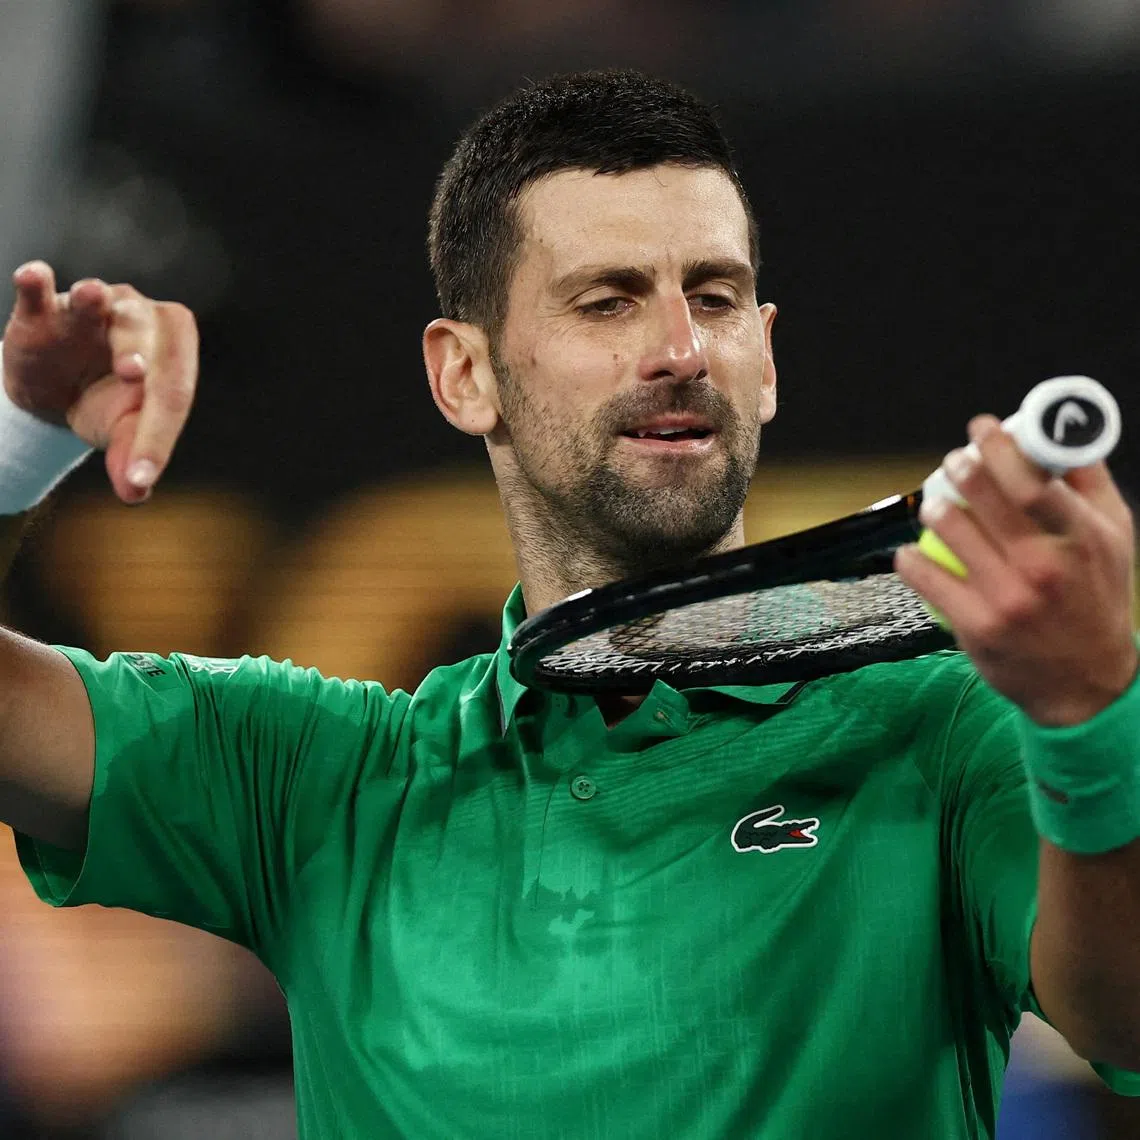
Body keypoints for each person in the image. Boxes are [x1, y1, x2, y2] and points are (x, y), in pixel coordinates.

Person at [0, 69, 1138, 1140]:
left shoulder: (939, 732)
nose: (682, 349)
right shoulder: (322, 783)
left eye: (717, 298)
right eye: (608, 302)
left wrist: (1089, 721)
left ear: (769, 357)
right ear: (465, 373)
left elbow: (1125, 1025)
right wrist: (21, 439)